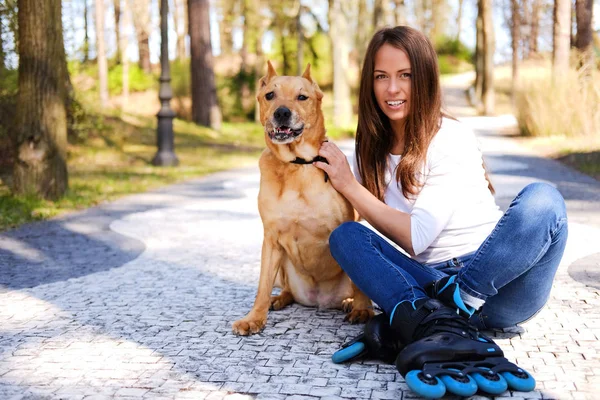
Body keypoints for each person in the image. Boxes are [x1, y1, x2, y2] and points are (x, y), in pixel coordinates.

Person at [313, 26, 568, 397]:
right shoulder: (370, 147)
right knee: (346, 237)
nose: (392, 89)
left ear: (426, 78)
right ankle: (439, 318)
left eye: (405, 76)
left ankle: (434, 313)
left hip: (497, 284)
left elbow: (417, 238)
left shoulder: (449, 135)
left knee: (544, 200)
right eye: (381, 77)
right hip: (429, 280)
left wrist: (349, 186)